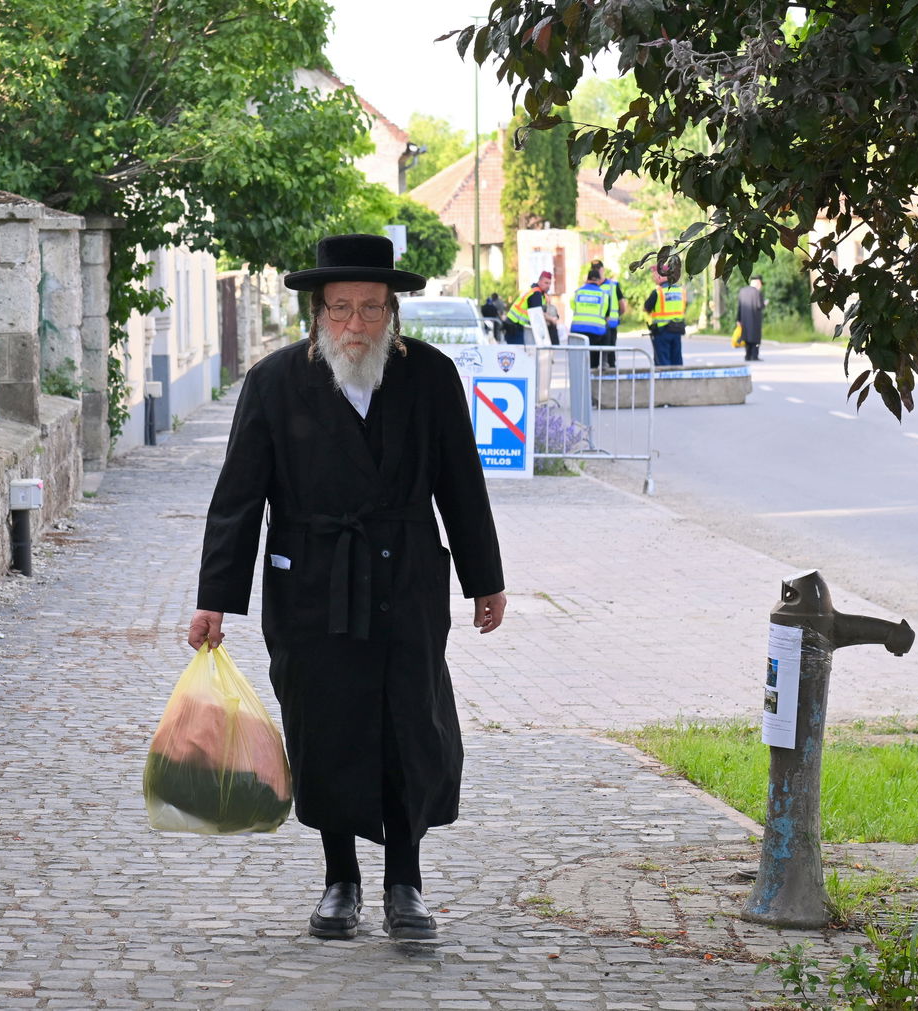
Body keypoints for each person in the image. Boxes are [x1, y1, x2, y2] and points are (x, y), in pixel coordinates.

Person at [188, 233, 507, 943]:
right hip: (312, 582)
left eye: (369, 308)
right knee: (325, 727)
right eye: (340, 309)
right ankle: (340, 878)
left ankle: (405, 880)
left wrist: (486, 577)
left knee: (410, 725)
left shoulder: (430, 376)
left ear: (392, 310)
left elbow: (461, 481)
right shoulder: (274, 383)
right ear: (316, 313)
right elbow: (239, 497)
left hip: (408, 580)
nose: (355, 325)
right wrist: (215, 596)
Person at [644, 259, 688, 366]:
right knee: (676, 361)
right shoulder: (680, 291)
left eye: (654, 274)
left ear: (661, 275)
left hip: (662, 332)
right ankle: (676, 381)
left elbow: (646, 308)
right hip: (677, 329)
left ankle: (663, 383)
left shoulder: (658, 292)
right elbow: (684, 307)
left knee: (663, 363)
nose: (653, 277)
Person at [591, 260, 627, 369]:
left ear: (603, 269)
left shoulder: (613, 285)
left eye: (598, 268)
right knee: (594, 356)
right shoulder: (591, 286)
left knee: (610, 354)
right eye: (594, 269)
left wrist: (615, 316)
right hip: (595, 325)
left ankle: (611, 379)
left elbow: (622, 306)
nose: (597, 271)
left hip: (610, 325)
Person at [506, 271, 555, 345]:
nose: (548, 286)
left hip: (513, 326)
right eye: (546, 283)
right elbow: (538, 314)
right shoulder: (536, 293)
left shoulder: (533, 290)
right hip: (515, 327)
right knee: (520, 353)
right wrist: (552, 319)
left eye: (549, 283)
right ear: (540, 281)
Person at [569, 266, 610, 353]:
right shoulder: (604, 295)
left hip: (578, 330)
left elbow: (573, 307)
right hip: (597, 331)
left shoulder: (577, 293)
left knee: (579, 356)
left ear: (587, 280)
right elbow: (607, 316)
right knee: (595, 356)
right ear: (599, 281)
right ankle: (597, 365)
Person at [737, 275, 764, 362]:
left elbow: (739, 306)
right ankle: (754, 356)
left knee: (747, 338)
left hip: (744, 320)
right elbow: (759, 305)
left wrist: (738, 319)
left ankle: (747, 355)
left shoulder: (742, 291)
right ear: (758, 283)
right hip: (755, 320)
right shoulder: (757, 292)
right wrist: (765, 303)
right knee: (755, 339)